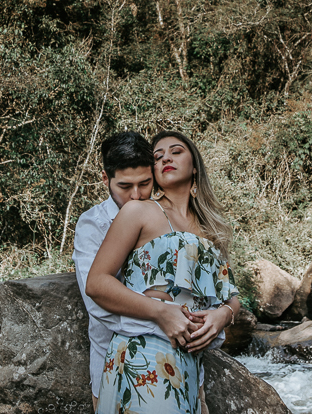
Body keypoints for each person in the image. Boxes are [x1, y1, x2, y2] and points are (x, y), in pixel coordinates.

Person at [86, 130, 241, 414]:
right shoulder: (138, 212)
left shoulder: (211, 228)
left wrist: (222, 316)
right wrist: (161, 312)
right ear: (154, 172)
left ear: (195, 166)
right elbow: (96, 283)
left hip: (191, 363)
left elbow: (231, 295)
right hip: (144, 353)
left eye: (176, 151)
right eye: (158, 156)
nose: (166, 157)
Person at [73, 132, 203, 412]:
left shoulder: (168, 217)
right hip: (116, 356)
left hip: (185, 357)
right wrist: (163, 317)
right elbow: (98, 303)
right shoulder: (92, 225)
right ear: (105, 179)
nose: (135, 195)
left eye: (144, 184)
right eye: (124, 186)